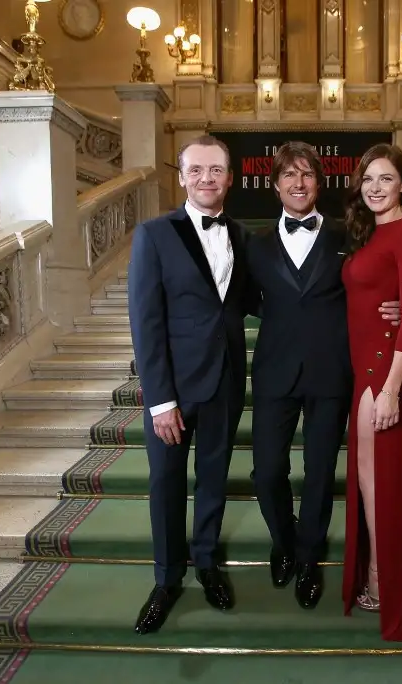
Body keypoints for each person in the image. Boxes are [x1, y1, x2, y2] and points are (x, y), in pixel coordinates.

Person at [247, 141, 400, 609]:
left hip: (332, 372)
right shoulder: (255, 245)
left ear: (319, 181)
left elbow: (372, 282)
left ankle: (309, 559)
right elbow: (246, 302)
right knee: (266, 470)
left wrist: (392, 306)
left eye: (307, 175)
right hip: (274, 372)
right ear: (275, 186)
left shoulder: (347, 235)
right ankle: (284, 542)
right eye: (289, 176)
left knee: (318, 474)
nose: (298, 184)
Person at [127, 135, 254, 635]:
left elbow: (262, 299)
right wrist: (160, 400)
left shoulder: (242, 236)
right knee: (166, 484)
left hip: (224, 382)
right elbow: (146, 322)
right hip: (172, 390)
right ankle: (166, 579)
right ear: (181, 177)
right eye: (197, 170)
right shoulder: (153, 234)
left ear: (230, 177)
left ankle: (206, 563)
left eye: (216, 170)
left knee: (215, 480)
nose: (207, 178)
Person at [340, 143, 402, 642]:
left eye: (385, 178)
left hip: (382, 376)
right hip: (364, 372)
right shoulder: (371, 233)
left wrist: (392, 390)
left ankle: (385, 580)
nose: (374, 187)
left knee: (379, 483)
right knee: (367, 481)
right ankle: (378, 572)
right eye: (368, 179)